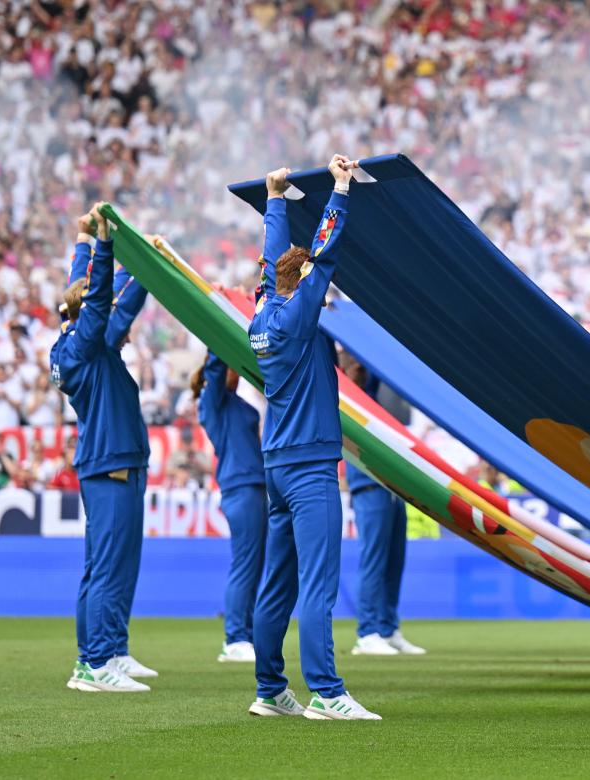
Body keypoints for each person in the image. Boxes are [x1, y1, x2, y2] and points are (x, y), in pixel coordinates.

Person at [245, 159, 380, 721]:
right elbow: (320, 253)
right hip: (309, 467)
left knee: (276, 585)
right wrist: (341, 188)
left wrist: (276, 198)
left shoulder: (259, 313)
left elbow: (281, 262)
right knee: (318, 584)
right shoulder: (300, 313)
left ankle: (270, 690)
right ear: (303, 286)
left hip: (276, 464)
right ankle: (326, 693)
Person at [52, 205, 156, 694]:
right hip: (110, 463)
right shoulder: (86, 345)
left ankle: (102, 653)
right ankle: (94, 664)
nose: (111, 311)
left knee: (104, 567)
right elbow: (96, 299)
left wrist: (82, 240)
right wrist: (107, 241)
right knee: (107, 568)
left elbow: (88, 293)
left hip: (113, 461)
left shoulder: (76, 341)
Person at [340, 350, 425, 657]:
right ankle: (367, 631)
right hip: (369, 481)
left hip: (393, 483)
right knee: (374, 559)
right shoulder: (354, 393)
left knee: (394, 560)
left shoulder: (377, 387)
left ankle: (388, 628)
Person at [193, 351, 267, 665]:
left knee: (253, 565)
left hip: (253, 485)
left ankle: (243, 633)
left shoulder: (233, 403)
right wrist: (217, 343)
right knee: (245, 564)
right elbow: (216, 364)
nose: (235, 372)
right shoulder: (212, 403)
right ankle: (235, 636)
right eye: (230, 368)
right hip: (240, 486)